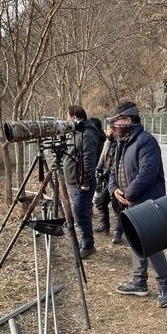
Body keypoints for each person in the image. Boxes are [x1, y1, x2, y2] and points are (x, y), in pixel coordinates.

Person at [108, 101, 167, 308]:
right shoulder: (121, 142)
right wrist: (114, 189)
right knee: (134, 242)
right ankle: (139, 283)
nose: (115, 125)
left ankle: (165, 286)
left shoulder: (146, 142)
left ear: (128, 120)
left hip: (146, 202)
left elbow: (147, 174)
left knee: (152, 245)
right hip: (129, 202)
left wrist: (129, 194)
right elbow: (113, 170)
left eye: (117, 121)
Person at [62, 105, 104, 259]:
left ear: (73, 116)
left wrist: (85, 181)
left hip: (81, 182)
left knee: (81, 214)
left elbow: (88, 160)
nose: (66, 119)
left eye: (67, 116)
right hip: (75, 180)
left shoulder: (86, 134)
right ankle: (84, 241)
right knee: (79, 213)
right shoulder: (78, 132)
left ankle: (88, 245)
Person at [92, 122, 125, 244]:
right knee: (100, 202)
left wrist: (109, 172)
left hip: (116, 181)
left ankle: (118, 232)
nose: (107, 132)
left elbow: (119, 164)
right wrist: (98, 169)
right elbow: (102, 157)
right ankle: (104, 226)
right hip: (105, 179)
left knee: (117, 207)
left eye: (109, 129)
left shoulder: (120, 144)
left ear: (115, 130)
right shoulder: (108, 142)